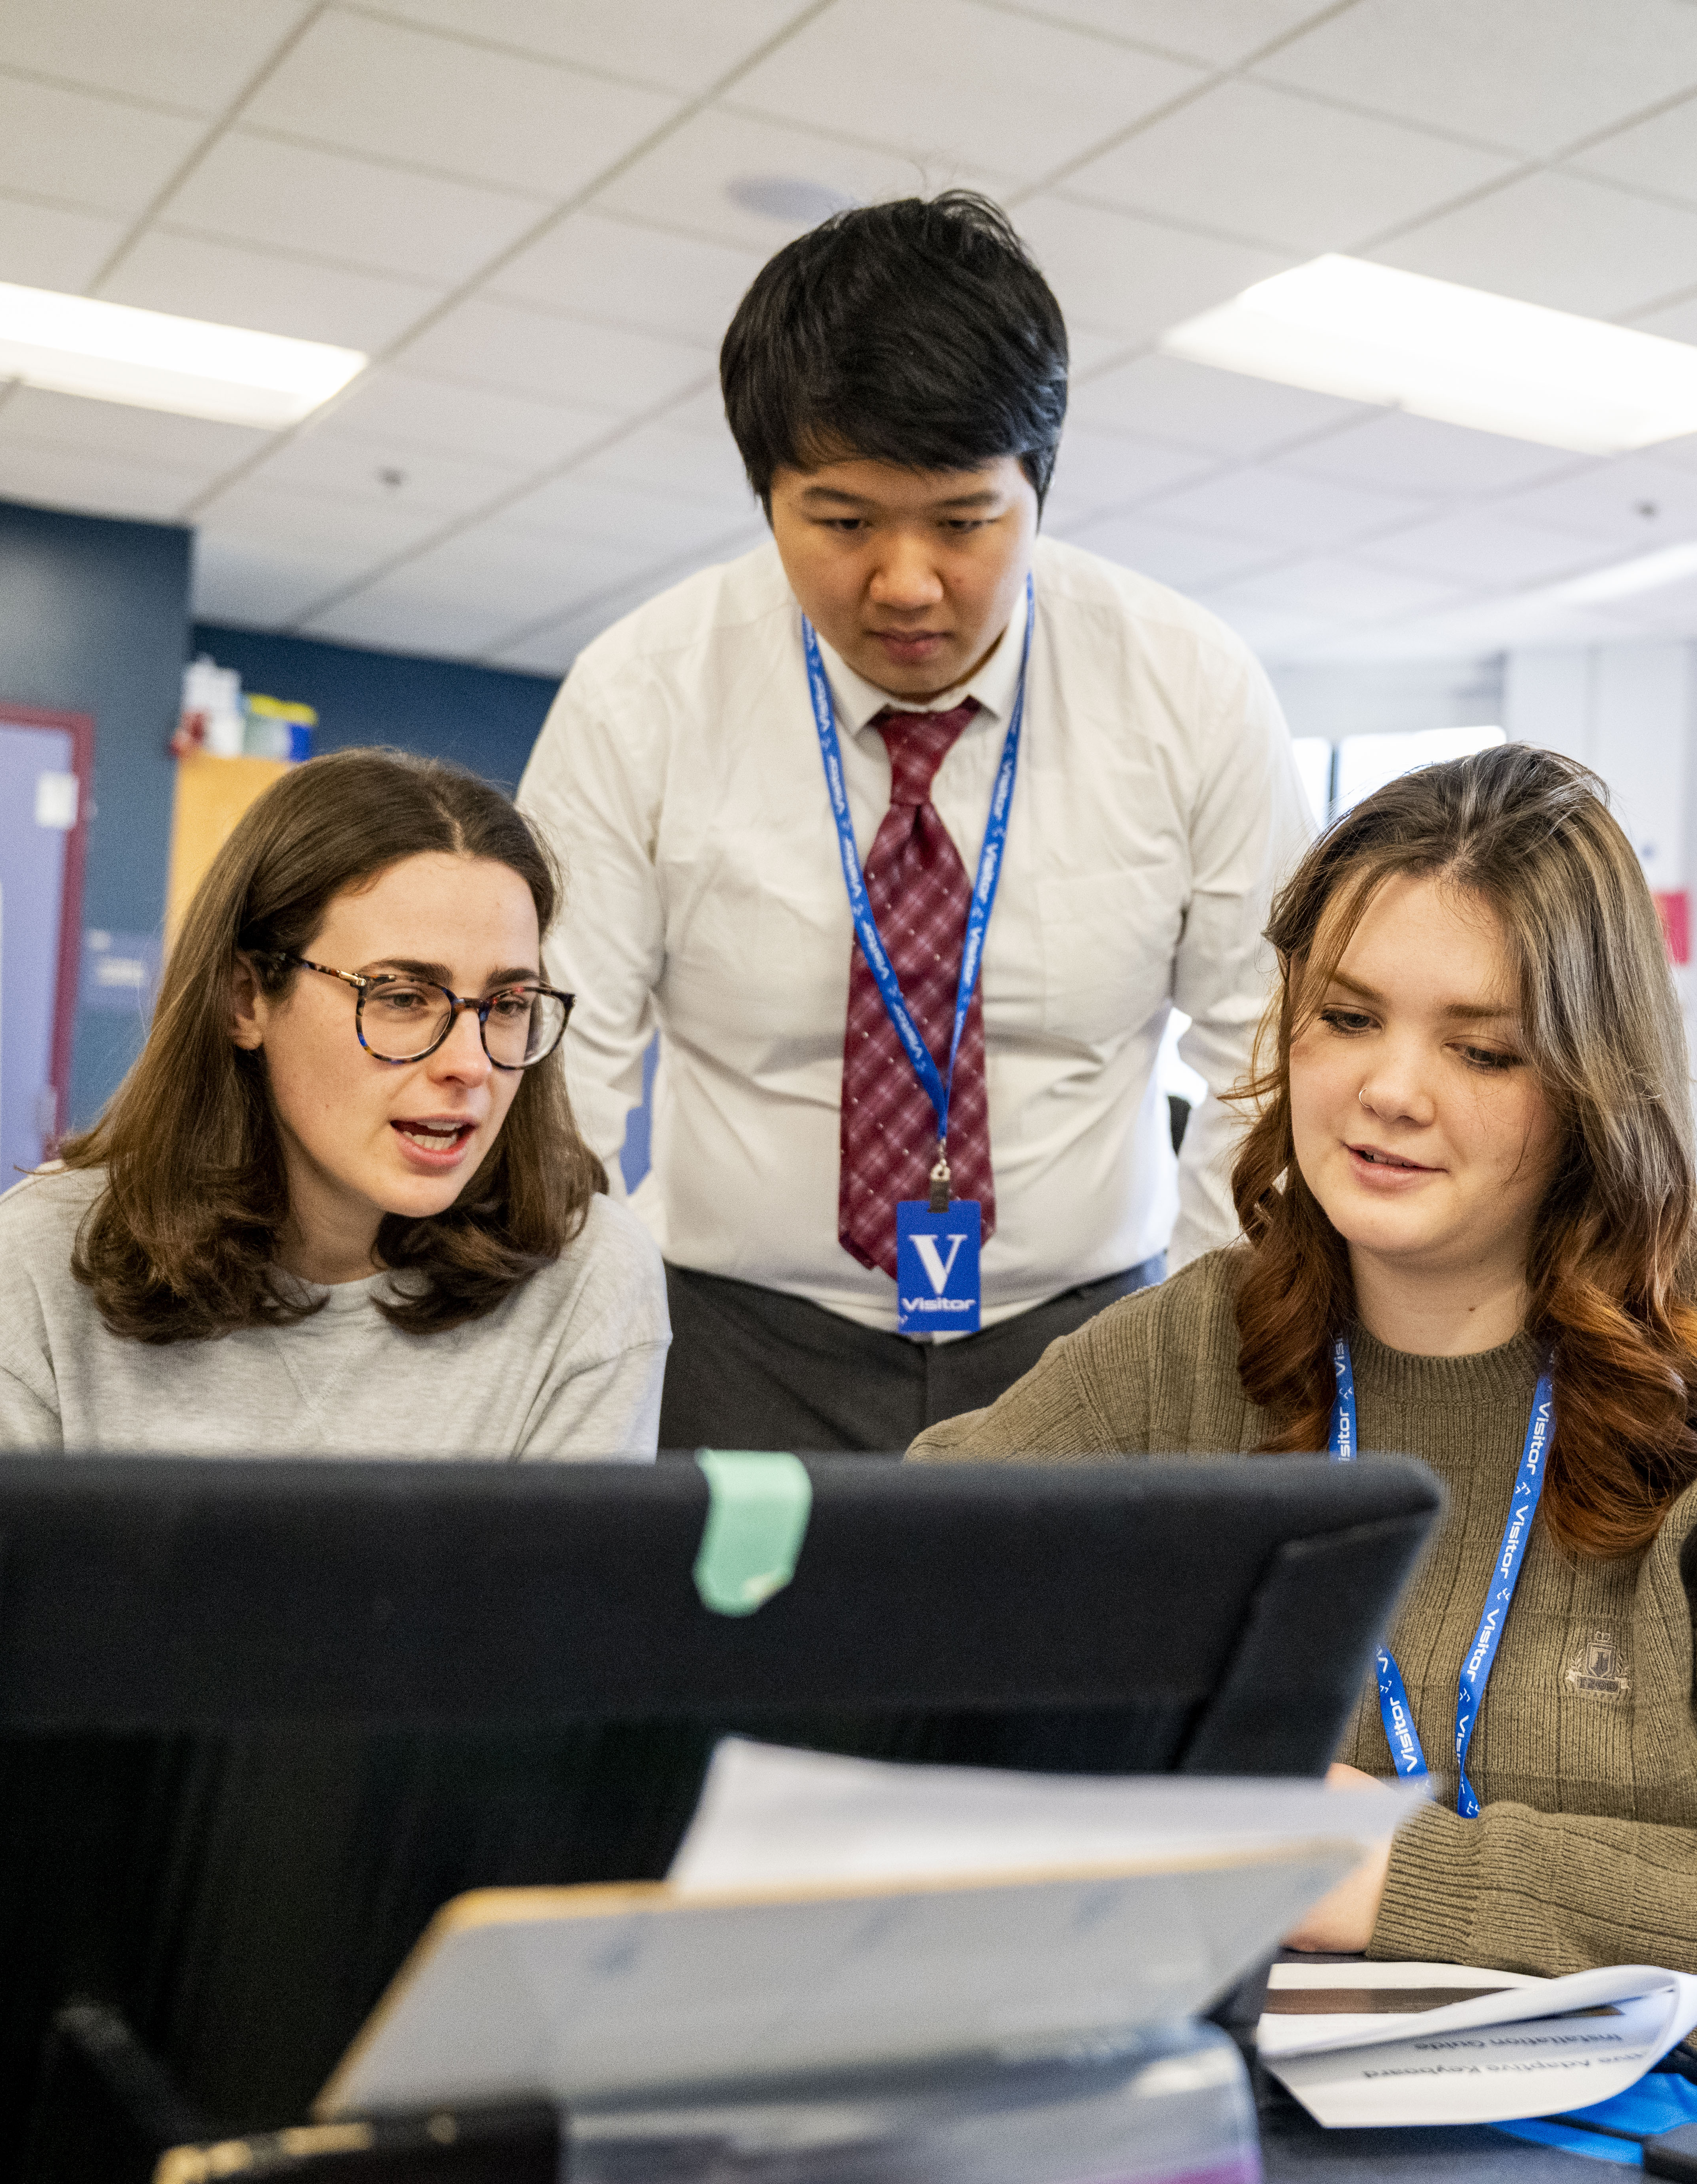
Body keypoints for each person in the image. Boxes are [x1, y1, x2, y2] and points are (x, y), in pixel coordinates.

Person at [916, 746, 1697, 2177]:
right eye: (1346, 1017)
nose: (1388, 1091)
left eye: (1480, 1048)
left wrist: (1393, 1873)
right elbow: (887, 1618)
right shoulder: (1190, 1352)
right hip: (1362, 2121)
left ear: (1590, 1085)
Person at [515, 190, 1311, 1453]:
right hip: (731, 1342)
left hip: (1090, 1338)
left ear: (1037, 490)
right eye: (839, 521)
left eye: (962, 522)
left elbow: (1260, 1062)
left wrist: (1202, 1352)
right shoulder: (643, 694)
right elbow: (560, 1077)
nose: (905, 582)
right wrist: (566, 1364)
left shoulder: (1190, 689)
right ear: (764, 495)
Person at [0, 748, 668, 1456]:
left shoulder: (588, 1276)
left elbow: (560, 1601)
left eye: (507, 1004)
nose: (471, 1065)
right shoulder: (36, 1266)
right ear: (245, 999)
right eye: (403, 997)